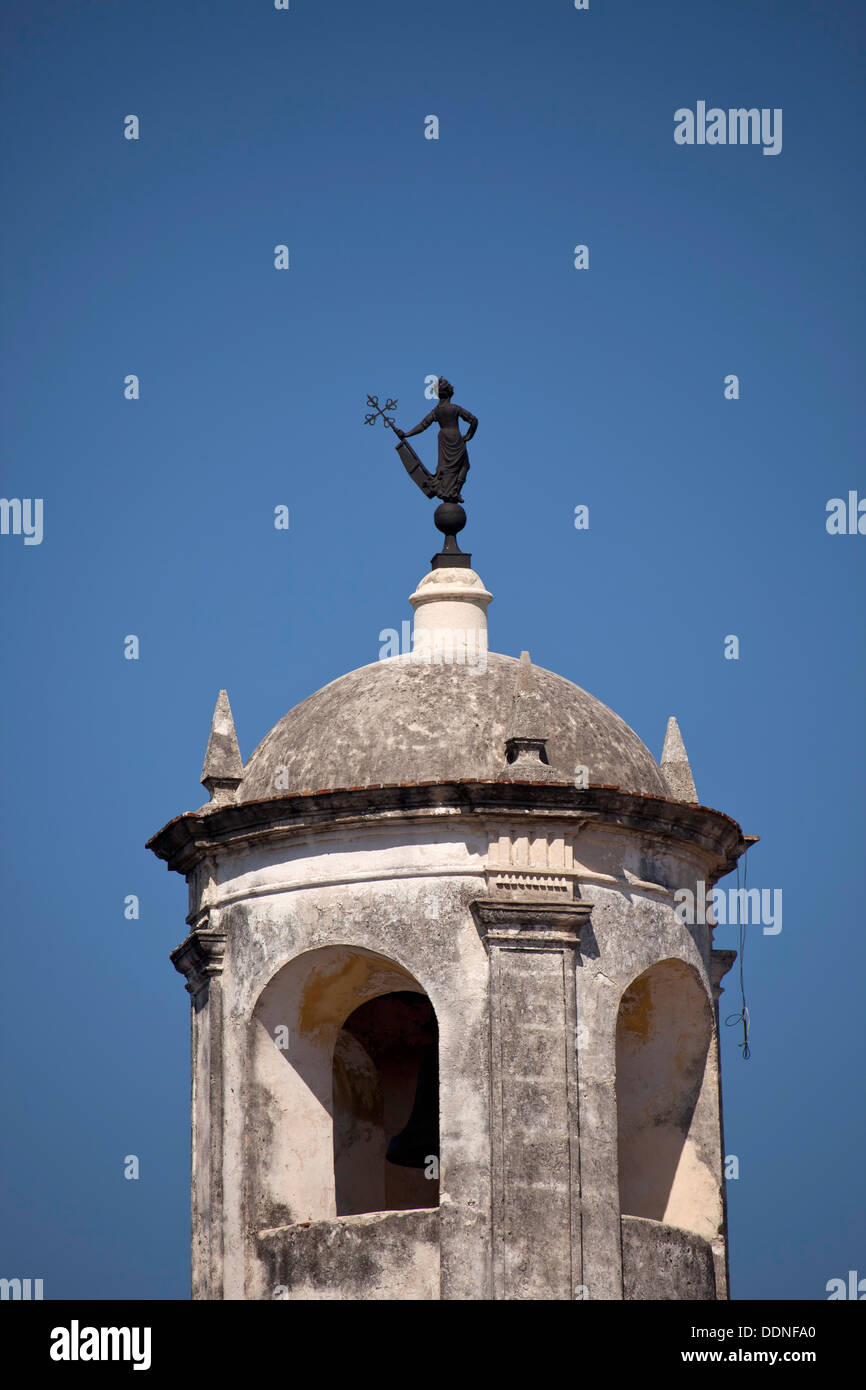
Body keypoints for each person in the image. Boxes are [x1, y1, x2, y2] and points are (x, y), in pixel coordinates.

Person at [397, 378, 477, 503]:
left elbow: (423, 425)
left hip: (444, 438)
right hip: (456, 438)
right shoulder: (455, 409)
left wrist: (407, 434)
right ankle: (455, 491)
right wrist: (469, 435)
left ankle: (451, 491)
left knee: (446, 468)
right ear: (449, 393)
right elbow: (473, 420)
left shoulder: (436, 411)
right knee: (465, 466)